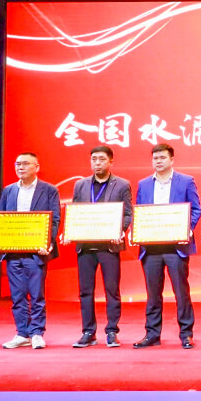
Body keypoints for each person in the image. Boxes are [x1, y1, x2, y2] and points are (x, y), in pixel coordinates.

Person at [133, 143, 201, 350]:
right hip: (151, 247)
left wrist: (187, 229)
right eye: (155, 158)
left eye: (162, 158)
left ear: (172, 159)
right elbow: (139, 212)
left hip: (176, 247)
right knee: (152, 294)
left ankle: (186, 334)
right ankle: (152, 334)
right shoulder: (144, 184)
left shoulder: (186, 181)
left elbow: (196, 209)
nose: (158, 161)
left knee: (181, 292)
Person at [0, 152, 61, 350]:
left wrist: (46, 242)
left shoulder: (49, 190)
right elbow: (1, 218)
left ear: (37, 167)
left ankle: (37, 333)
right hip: (13, 250)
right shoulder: (9, 190)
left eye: (25, 163)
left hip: (36, 251)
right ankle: (22, 333)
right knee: (17, 295)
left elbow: (54, 219)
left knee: (36, 294)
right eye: (18, 164)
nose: (20, 167)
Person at [71, 145, 132, 349]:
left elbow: (128, 214)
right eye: (94, 159)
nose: (97, 163)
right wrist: (70, 230)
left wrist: (119, 230)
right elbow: (75, 213)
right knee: (85, 291)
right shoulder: (80, 185)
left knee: (112, 290)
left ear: (111, 162)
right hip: (85, 246)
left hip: (109, 246)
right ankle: (88, 332)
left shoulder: (122, 185)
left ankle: (112, 331)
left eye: (102, 159)